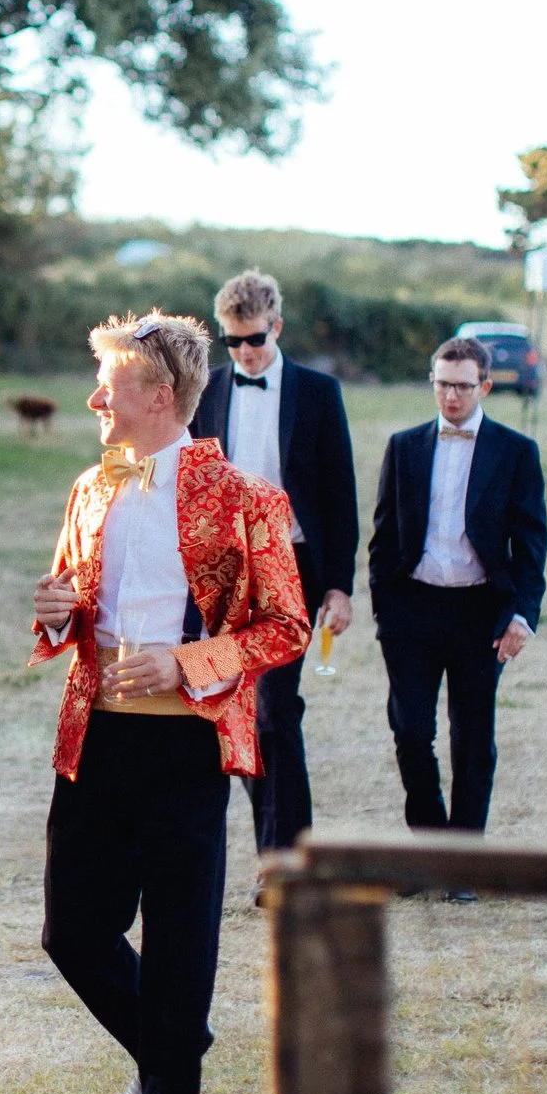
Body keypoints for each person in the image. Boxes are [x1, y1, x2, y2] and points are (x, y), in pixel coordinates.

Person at [30, 312, 308, 1094]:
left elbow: (286, 625)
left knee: (180, 944)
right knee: (71, 930)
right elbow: (71, 606)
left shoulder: (242, 496)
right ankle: (176, 1039)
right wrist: (55, 613)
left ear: (158, 395)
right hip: (96, 738)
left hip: (189, 747)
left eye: (107, 386)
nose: (93, 400)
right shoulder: (91, 487)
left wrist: (187, 662)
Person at [188, 270, 358, 868]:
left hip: (295, 564)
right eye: (232, 342)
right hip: (225, 573)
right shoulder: (206, 391)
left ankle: (285, 862)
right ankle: (282, 852)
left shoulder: (318, 393)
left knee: (275, 709)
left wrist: (339, 586)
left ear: (277, 327)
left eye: (254, 339)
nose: (244, 352)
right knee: (232, 708)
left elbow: (340, 494)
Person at [366, 337, 547, 845]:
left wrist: (522, 615)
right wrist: (386, 610)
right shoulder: (404, 447)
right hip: (412, 611)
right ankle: (432, 848)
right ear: (432, 382)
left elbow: (532, 544)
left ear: (484, 387)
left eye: (463, 387)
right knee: (410, 732)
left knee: (471, 740)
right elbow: (384, 535)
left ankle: (465, 857)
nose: (451, 396)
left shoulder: (516, 452)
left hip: (479, 612)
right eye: (443, 384)